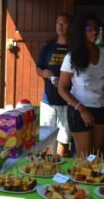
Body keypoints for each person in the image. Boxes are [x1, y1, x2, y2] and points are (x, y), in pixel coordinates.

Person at [58, 12, 104, 156]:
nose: (95, 31)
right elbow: (62, 88)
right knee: (84, 156)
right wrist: (82, 109)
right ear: (81, 31)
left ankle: (93, 179)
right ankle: (77, 179)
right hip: (79, 110)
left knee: (95, 156)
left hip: (100, 106)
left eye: (96, 27)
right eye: (89, 28)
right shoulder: (72, 57)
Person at [36, 13, 73, 157]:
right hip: (48, 101)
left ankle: (61, 175)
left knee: (63, 142)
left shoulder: (74, 49)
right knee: (45, 142)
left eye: (64, 23)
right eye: (58, 23)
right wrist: (43, 73)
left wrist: (66, 81)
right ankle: (45, 171)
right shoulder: (48, 46)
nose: (60, 26)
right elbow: (38, 67)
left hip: (67, 101)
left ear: (70, 26)